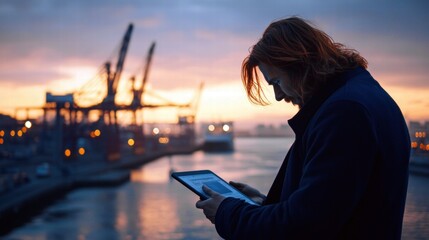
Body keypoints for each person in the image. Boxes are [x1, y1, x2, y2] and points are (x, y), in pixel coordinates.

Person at [196, 16, 410, 239]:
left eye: (276, 82)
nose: (278, 96)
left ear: (300, 65)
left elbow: (305, 225)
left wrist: (228, 212)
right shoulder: (362, 96)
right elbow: (331, 206)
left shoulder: (345, 112)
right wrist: (261, 204)